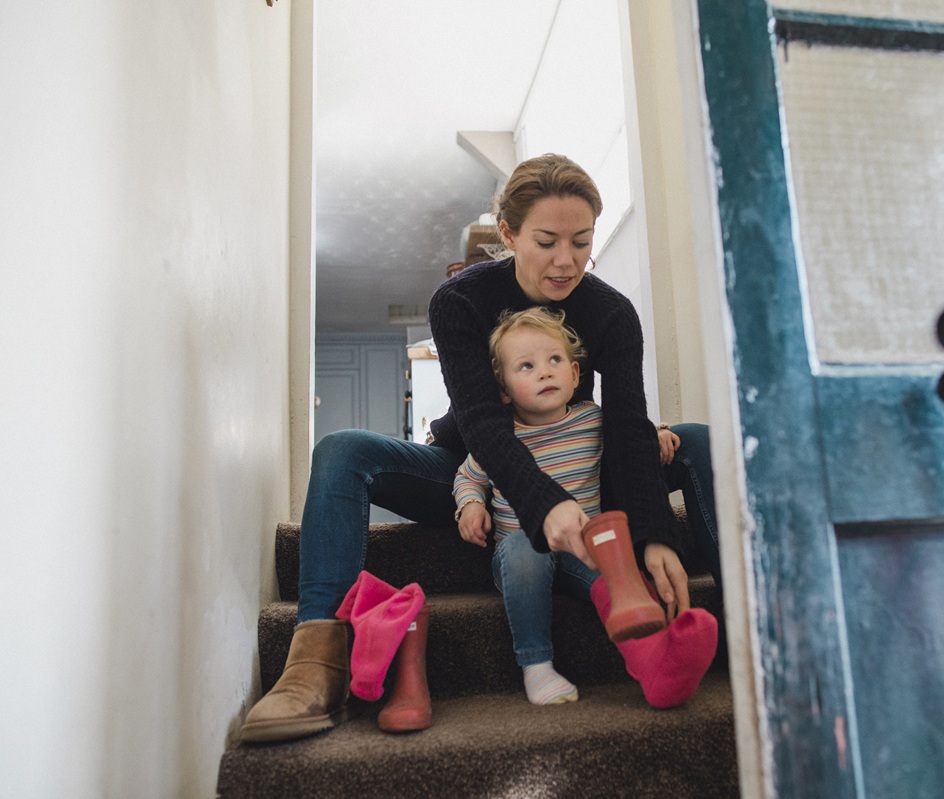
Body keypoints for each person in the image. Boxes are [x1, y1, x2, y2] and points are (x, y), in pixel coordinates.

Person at [239, 153, 720, 741]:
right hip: (472, 466)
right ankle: (314, 661)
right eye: (546, 241)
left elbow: (622, 426)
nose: (566, 260)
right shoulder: (460, 301)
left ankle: (750, 622)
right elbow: (484, 425)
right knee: (341, 450)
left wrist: (653, 535)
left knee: (694, 440)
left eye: (582, 240)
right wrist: (542, 505)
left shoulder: (612, 313)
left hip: (579, 471)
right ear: (511, 233)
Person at [454, 307, 604, 705]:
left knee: (614, 578)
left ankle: (645, 646)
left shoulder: (594, 422)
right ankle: (537, 666)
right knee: (524, 547)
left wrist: (655, 433)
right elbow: (467, 476)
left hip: (582, 550)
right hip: (522, 552)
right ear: (503, 391)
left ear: (574, 374)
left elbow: (632, 438)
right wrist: (470, 505)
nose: (544, 371)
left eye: (555, 360)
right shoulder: (500, 439)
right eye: (526, 366)